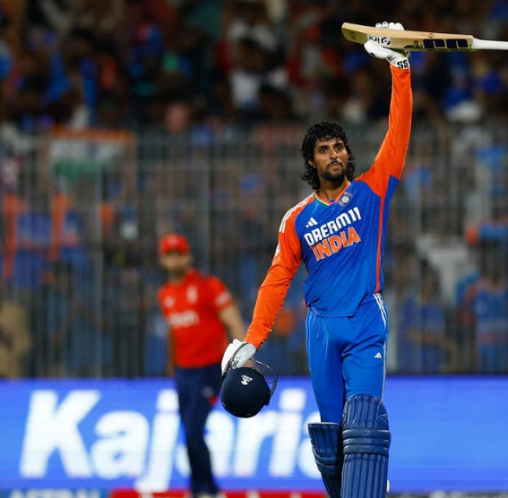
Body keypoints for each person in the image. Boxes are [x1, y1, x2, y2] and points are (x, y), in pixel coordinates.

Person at [221, 22, 412, 498]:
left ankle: (368, 483)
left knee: (363, 426)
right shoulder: (296, 220)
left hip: (365, 319)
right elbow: (276, 281)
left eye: (339, 147)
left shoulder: (371, 191)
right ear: (312, 162)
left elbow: (398, 132)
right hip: (321, 328)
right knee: (333, 441)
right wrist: (252, 339)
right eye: (324, 150)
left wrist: (400, 67)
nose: (334, 154)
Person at [157, 233, 246, 498]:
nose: (175, 260)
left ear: (189, 256)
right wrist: (171, 363)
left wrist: (245, 356)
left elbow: (233, 320)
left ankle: (207, 489)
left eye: (179, 254)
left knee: (194, 430)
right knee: (188, 431)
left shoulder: (209, 286)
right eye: (169, 255)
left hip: (208, 369)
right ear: (163, 260)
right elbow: (173, 332)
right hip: (183, 371)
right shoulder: (165, 294)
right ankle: (199, 488)